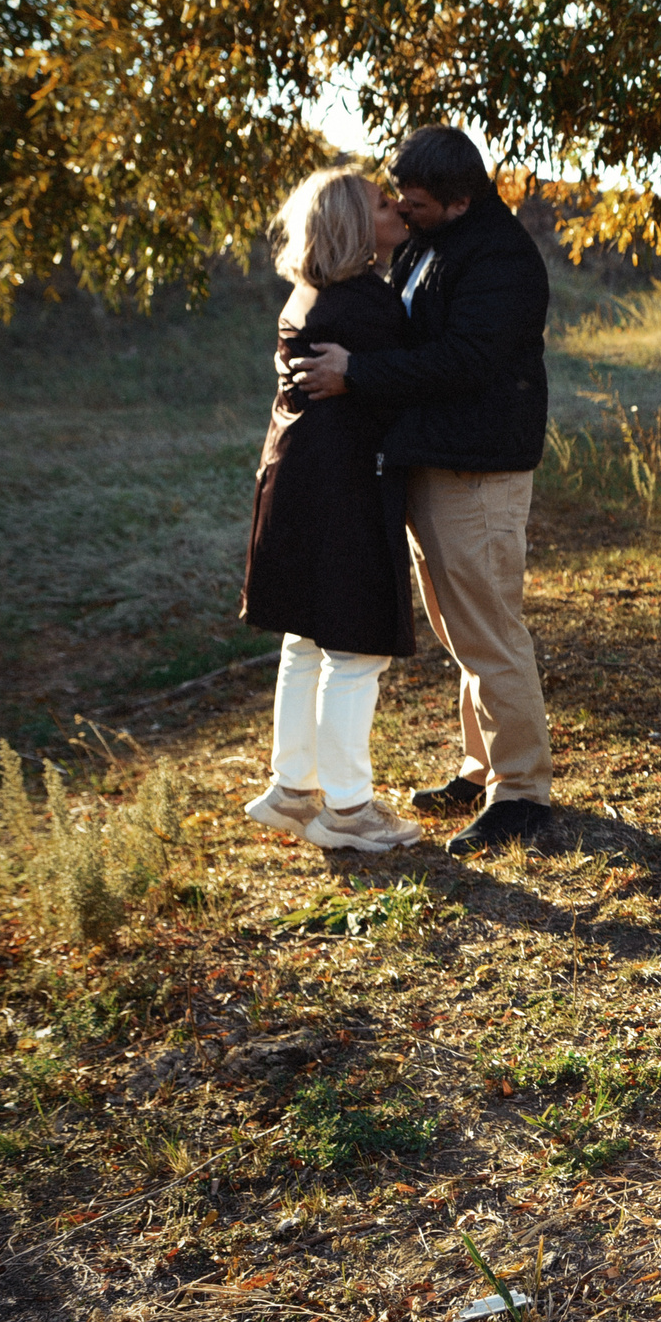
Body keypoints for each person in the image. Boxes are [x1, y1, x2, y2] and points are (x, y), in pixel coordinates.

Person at [285, 126, 556, 856]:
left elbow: (465, 359)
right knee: (459, 628)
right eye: (398, 192)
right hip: (433, 461)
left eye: (418, 200)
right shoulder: (426, 244)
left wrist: (360, 375)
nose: (402, 207)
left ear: (461, 200)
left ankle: (524, 791)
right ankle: (481, 765)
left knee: (491, 631)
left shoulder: (501, 260)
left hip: (481, 470)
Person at [240, 167, 424, 853]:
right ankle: (348, 808)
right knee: (354, 647)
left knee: (306, 638)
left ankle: (292, 786)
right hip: (342, 485)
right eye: (381, 203)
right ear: (354, 223)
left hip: (293, 482)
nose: (396, 208)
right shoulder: (364, 306)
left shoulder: (304, 295)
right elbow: (407, 384)